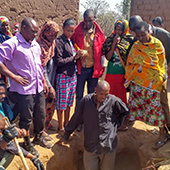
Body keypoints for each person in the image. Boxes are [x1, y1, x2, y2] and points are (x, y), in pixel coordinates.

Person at [0, 17, 52, 157]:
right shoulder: (12, 44)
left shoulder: (34, 43)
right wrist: (14, 77)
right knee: (26, 118)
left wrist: (44, 81)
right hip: (24, 90)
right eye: (33, 31)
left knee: (40, 114)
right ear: (23, 28)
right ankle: (27, 143)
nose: (35, 34)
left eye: (37, 32)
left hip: (38, 87)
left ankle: (39, 136)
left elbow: (38, 66)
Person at [58, 80, 129, 170]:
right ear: (96, 90)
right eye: (101, 94)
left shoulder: (113, 101)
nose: (103, 97)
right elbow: (76, 118)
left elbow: (125, 111)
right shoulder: (86, 101)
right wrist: (66, 134)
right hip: (91, 145)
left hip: (108, 145)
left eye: (106, 94)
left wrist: (116, 125)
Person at [125, 21, 167, 149]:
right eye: (138, 36)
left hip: (152, 84)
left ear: (149, 32)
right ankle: (127, 123)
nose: (141, 38)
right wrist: (130, 77)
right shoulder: (136, 45)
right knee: (133, 104)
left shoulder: (157, 45)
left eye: (143, 35)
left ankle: (162, 134)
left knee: (155, 108)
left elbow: (161, 63)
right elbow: (130, 61)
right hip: (137, 83)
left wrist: (159, 78)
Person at [0, 79, 44, 170]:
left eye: (4, 93)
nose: (3, 96)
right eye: (0, 93)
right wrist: (5, 140)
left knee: (9, 152)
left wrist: (33, 158)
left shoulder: (3, 105)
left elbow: (10, 146)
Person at [71, 9, 105, 107]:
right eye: (86, 20)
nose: (87, 23)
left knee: (91, 96)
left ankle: (88, 118)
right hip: (81, 69)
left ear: (94, 19)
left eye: (90, 20)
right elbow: (72, 43)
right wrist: (77, 51)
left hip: (93, 68)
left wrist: (102, 68)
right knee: (79, 96)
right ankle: (78, 119)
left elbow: (101, 52)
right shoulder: (77, 31)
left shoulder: (99, 34)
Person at [54, 18, 83, 133]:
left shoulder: (70, 41)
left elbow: (73, 59)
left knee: (69, 102)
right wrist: (74, 57)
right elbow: (59, 61)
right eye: (68, 30)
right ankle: (60, 127)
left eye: (72, 31)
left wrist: (79, 55)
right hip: (63, 76)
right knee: (61, 102)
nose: (70, 33)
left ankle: (67, 124)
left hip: (72, 75)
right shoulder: (59, 41)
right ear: (63, 29)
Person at [102, 19, 134, 104]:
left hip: (122, 74)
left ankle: (121, 116)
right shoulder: (110, 39)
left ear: (124, 29)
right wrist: (114, 44)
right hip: (111, 73)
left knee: (121, 99)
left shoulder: (129, 40)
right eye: (116, 29)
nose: (117, 31)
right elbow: (108, 57)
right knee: (108, 97)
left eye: (120, 29)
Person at [37, 21, 59, 132]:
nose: (53, 37)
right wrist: (48, 85)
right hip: (42, 81)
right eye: (51, 34)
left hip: (52, 78)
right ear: (45, 32)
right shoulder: (40, 46)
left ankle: (48, 123)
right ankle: (42, 129)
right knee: (42, 106)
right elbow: (42, 68)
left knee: (51, 103)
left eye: (55, 35)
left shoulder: (53, 45)